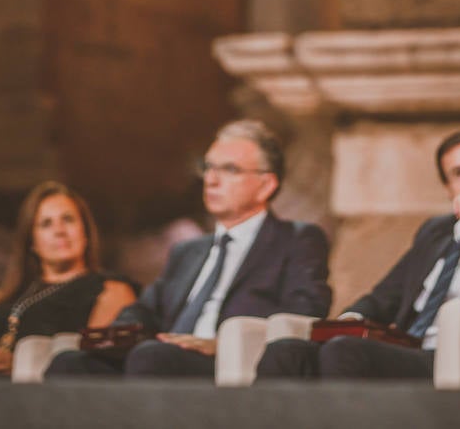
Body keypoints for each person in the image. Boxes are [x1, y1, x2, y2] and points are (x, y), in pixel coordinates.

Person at [46, 119, 332, 379]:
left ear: (265, 185)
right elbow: (146, 309)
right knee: (68, 363)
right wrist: (120, 334)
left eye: (229, 170)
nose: (211, 180)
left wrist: (222, 343)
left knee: (151, 357)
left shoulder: (297, 239)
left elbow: (304, 311)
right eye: (207, 167)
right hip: (162, 353)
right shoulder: (188, 250)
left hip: (228, 360)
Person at [256, 127, 460, 381]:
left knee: (345, 352)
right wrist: (350, 320)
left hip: (457, 358)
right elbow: (385, 296)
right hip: (407, 347)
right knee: (284, 352)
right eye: (459, 173)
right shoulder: (436, 232)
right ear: (448, 187)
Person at [0, 181, 137, 377]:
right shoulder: (7, 292)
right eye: (46, 224)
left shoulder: (110, 289)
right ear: (32, 242)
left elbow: (86, 365)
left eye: (68, 220)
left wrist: (19, 364)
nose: (59, 231)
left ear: (85, 232)